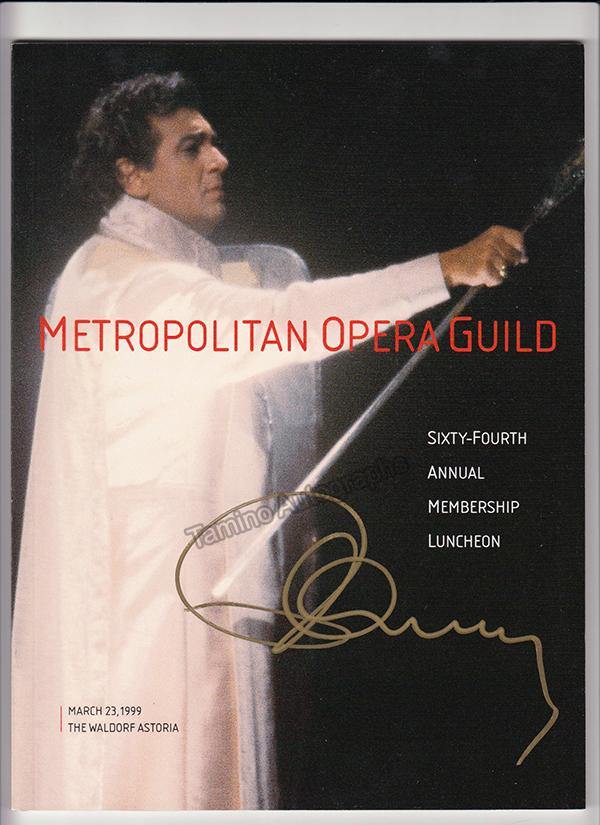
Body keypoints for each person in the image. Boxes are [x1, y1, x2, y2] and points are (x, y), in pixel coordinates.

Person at [11, 72, 526, 811]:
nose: (218, 159)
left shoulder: (131, 269)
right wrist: (443, 269)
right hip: (153, 616)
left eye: (214, 142)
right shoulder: (128, 286)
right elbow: (288, 321)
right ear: (133, 175)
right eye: (192, 147)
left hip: (183, 594)